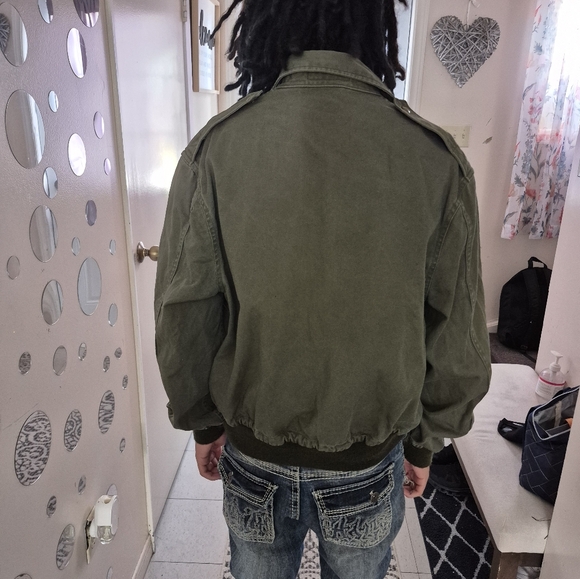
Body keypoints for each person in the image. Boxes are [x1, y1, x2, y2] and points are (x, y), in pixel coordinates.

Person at [154, 1, 491, 577]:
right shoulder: (435, 161)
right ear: (376, 21)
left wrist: (203, 422)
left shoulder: (216, 149)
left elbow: (184, 313)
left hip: (254, 456)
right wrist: (424, 443)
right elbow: (458, 332)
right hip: (366, 461)